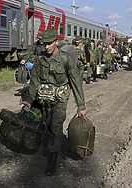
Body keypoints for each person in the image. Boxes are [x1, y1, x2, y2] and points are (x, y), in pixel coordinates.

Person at [20, 29, 87, 176]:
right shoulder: (40, 59)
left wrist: (81, 106)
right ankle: (52, 142)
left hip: (60, 100)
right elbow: (35, 81)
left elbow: (76, 83)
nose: (47, 47)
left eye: (50, 43)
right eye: (45, 44)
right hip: (44, 98)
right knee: (48, 124)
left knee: (56, 126)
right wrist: (29, 100)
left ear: (56, 42)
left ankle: (53, 157)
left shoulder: (66, 59)